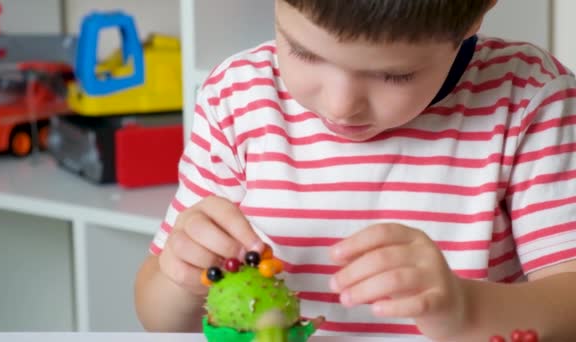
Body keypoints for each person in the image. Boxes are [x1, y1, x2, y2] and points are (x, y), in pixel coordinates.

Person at [135, 0, 576, 340]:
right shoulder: (236, 99)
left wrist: (465, 309)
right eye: (303, 51)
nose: (340, 105)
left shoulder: (530, 101)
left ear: (474, 16)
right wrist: (182, 276)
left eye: (394, 75)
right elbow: (156, 316)